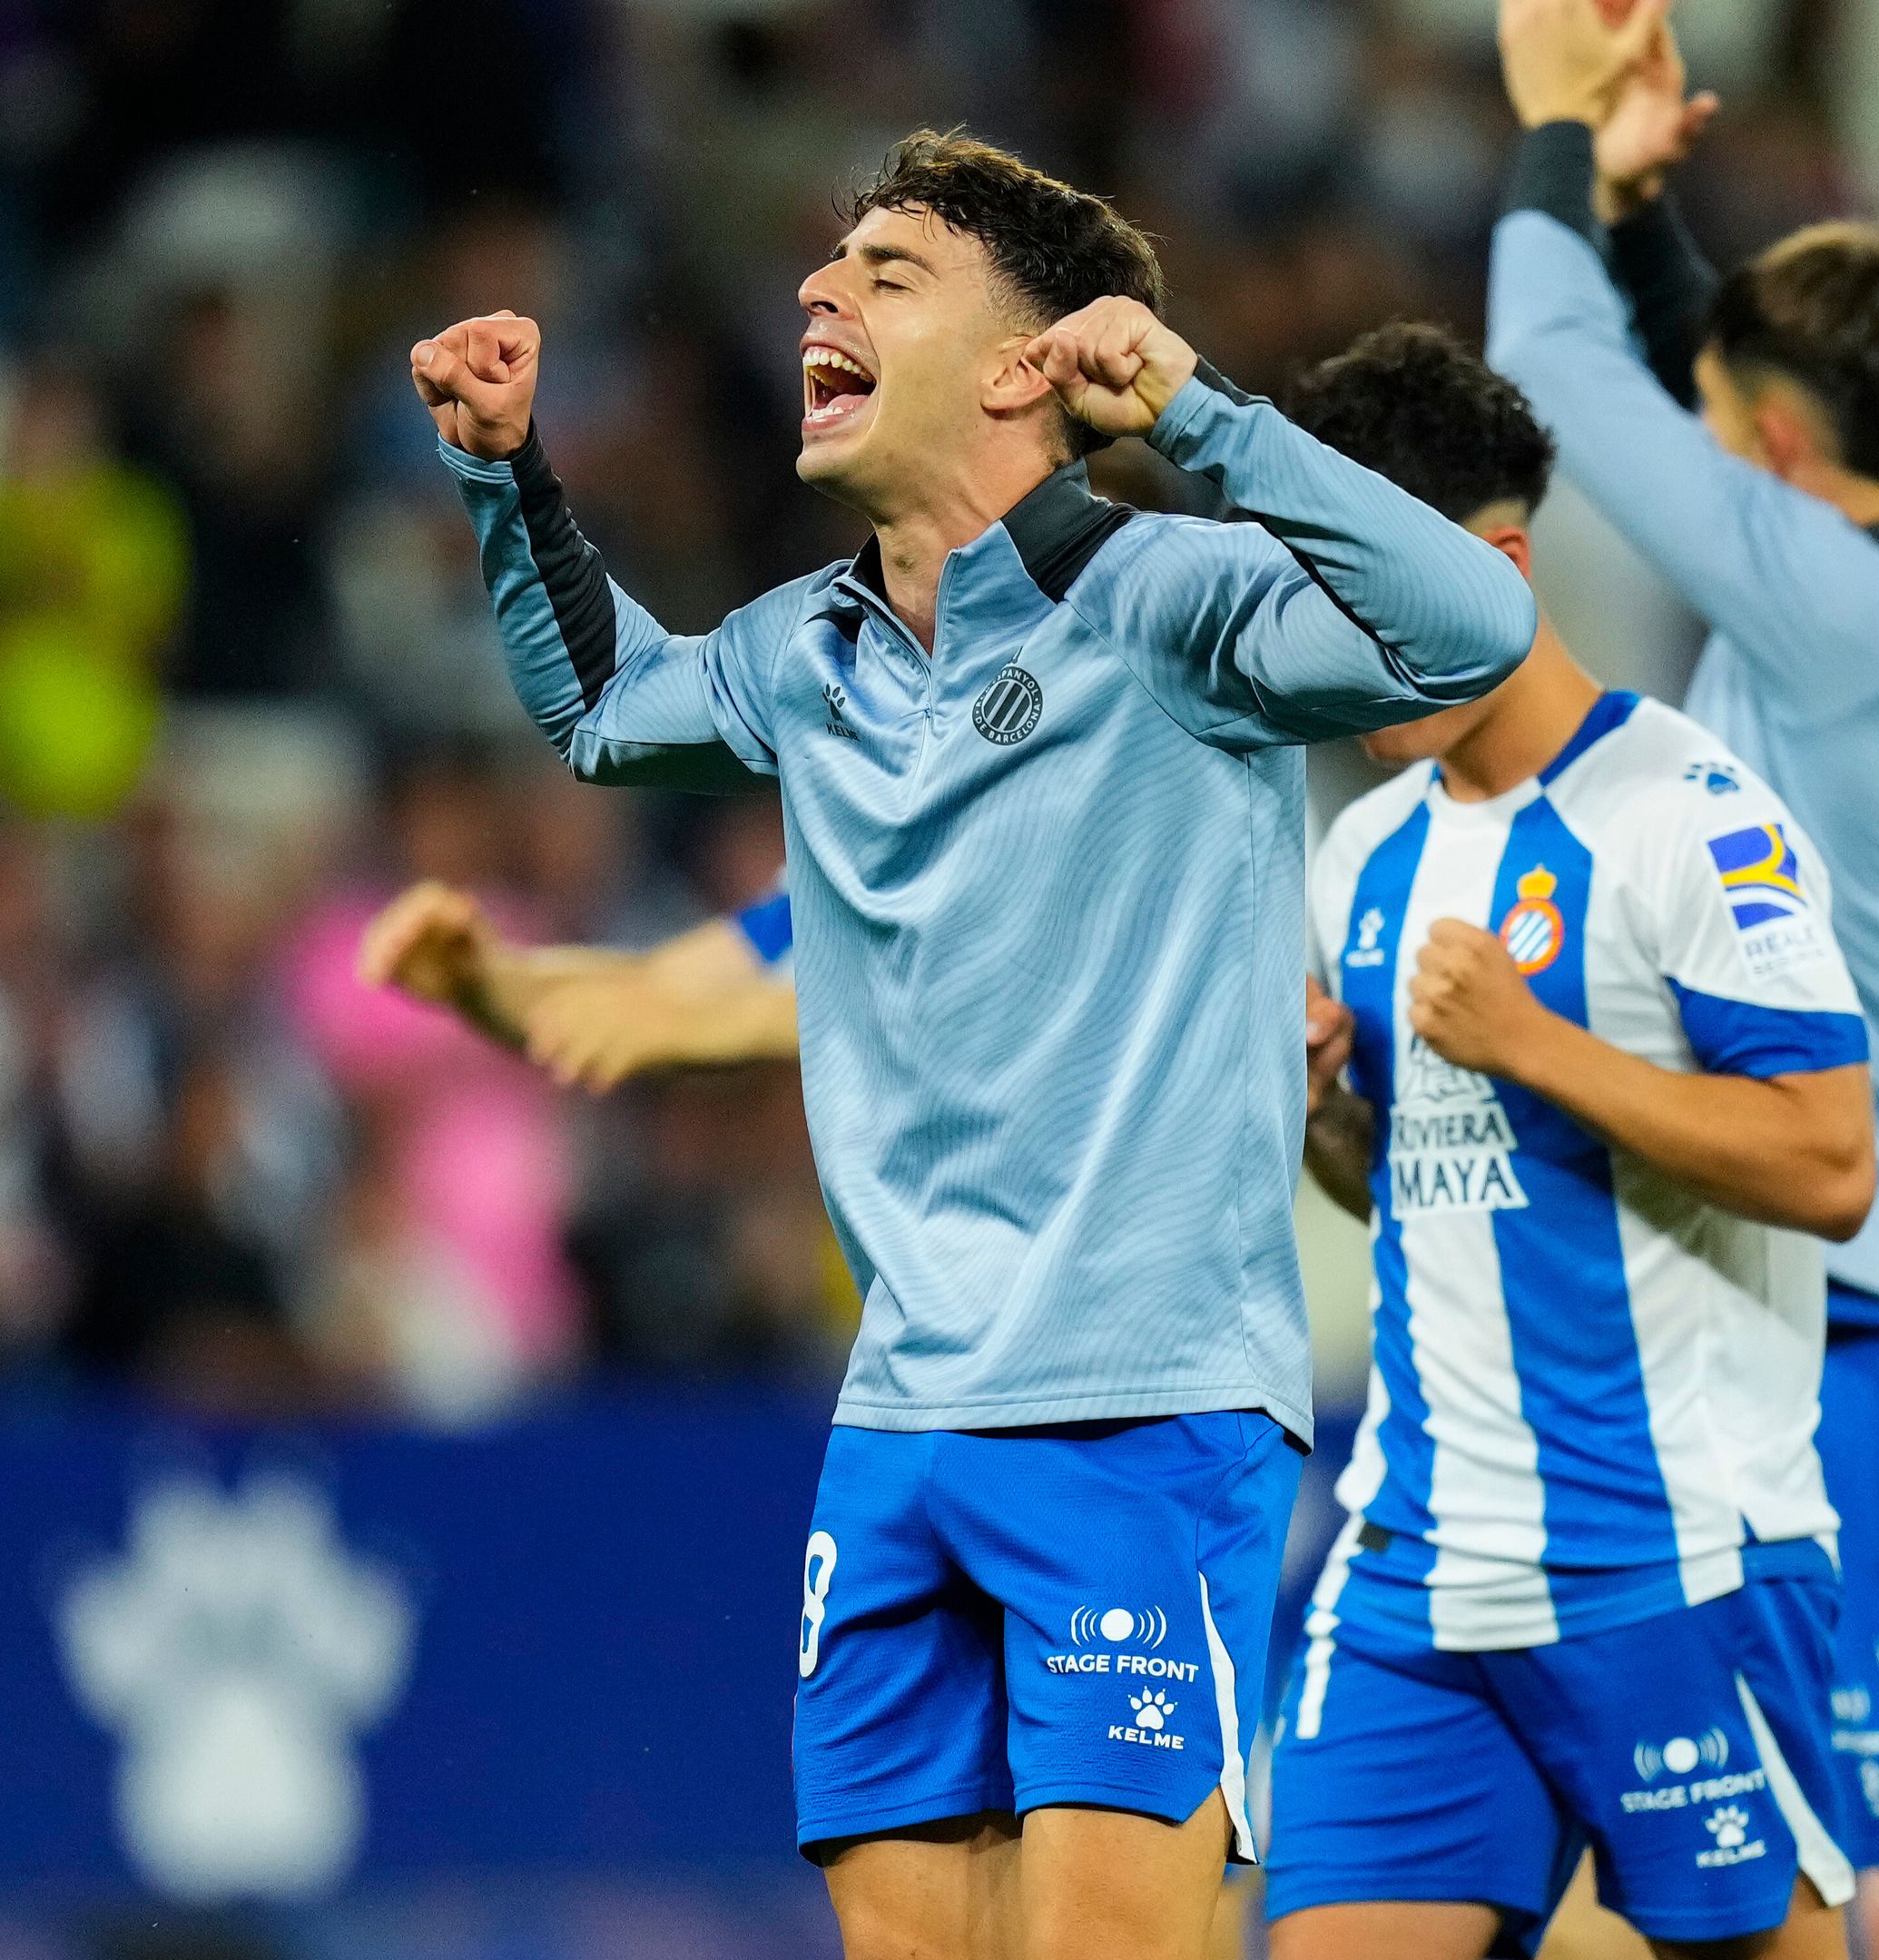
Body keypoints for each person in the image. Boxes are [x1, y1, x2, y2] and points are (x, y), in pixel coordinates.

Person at [410, 131, 1535, 1959]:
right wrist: (503, 475)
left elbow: (1474, 624)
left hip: (1141, 1410)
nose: (817, 293)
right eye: (832, 262)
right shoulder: (808, 648)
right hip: (901, 1417)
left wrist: (1208, 412)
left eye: (889, 271)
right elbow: (610, 705)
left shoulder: (1176, 598)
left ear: (1028, 363)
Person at [1481, 7, 1879, 1956]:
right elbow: (1699, 381)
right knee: (1683, 1862)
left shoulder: (1842, 618)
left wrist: (1556, 141)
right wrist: (1650, 213)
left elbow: (1558, 366)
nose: (1702, 458)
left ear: (1788, 455)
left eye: (1732, 433)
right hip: (1823, 1329)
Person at [1262, 321, 1871, 1960]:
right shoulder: (1366, 850)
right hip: (1421, 1566)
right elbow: (1401, 1183)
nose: (1323, 634)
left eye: (1352, 580)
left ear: (1496, 562)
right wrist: (1330, 1111)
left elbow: (1829, 1161)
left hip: (1669, 1561)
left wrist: (1541, 1046)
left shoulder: (1694, 817)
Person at [356, 879, 799, 1090]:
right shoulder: (840, 858)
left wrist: (693, 1026)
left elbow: (865, 998)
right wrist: (480, 981)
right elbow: (659, 991)